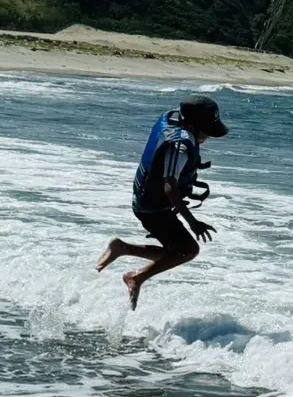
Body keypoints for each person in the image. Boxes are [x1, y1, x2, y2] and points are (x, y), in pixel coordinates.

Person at [97, 95, 228, 309]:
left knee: (176, 251)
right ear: (197, 126)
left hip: (147, 201)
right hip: (153, 208)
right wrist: (192, 223)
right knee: (187, 251)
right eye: (207, 131)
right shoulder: (180, 147)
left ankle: (122, 249)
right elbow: (170, 188)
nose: (208, 137)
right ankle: (135, 276)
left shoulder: (174, 121)